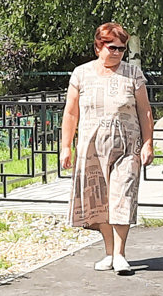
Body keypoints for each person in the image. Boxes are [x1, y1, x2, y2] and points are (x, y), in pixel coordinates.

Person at [59, 23, 156, 275]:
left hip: (127, 146)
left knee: (123, 196)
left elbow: (145, 111)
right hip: (91, 146)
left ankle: (121, 254)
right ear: (98, 46)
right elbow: (71, 112)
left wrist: (148, 143)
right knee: (99, 200)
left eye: (122, 49)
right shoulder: (81, 74)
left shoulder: (133, 74)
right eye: (112, 47)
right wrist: (65, 146)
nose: (117, 53)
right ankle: (109, 252)